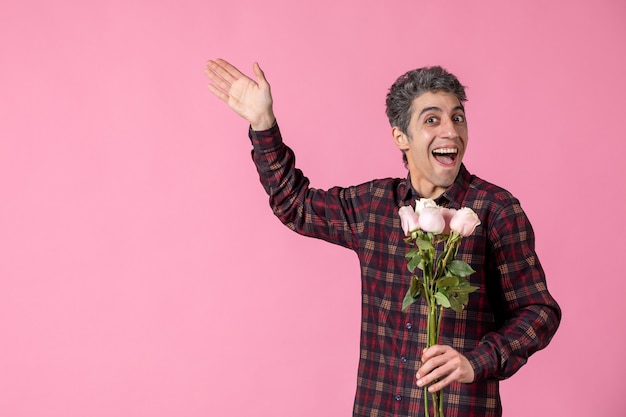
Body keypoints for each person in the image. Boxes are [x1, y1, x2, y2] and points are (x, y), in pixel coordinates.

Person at [205, 58, 561, 417]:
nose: (451, 132)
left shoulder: (494, 209)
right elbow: (295, 205)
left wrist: (477, 361)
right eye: (432, 119)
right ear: (400, 137)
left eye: (457, 117)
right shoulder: (374, 206)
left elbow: (538, 311)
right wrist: (263, 123)